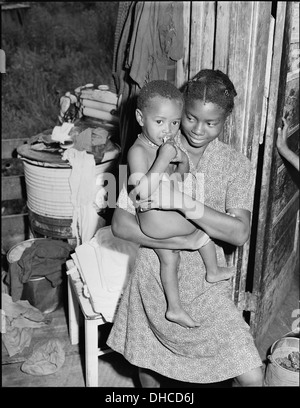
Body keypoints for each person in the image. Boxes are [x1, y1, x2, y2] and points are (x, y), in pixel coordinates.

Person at [107, 69, 264, 387]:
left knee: (251, 372)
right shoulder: (156, 142)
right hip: (157, 277)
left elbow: (239, 232)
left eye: (212, 123)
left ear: (225, 120)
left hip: (208, 284)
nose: (197, 130)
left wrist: (182, 201)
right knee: (149, 364)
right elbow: (121, 223)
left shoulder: (236, 165)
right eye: (190, 118)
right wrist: (182, 242)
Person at [127, 79, 234, 328]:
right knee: (201, 225)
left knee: (170, 260)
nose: (168, 129)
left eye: (175, 122)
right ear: (141, 118)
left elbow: (176, 180)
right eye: (160, 122)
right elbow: (141, 193)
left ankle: (174, 309)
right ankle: (213, 270)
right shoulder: (138, 151)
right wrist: (164, 158)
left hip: (159, 217)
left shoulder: (161, 145)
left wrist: (182, 162)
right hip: (153, 218)